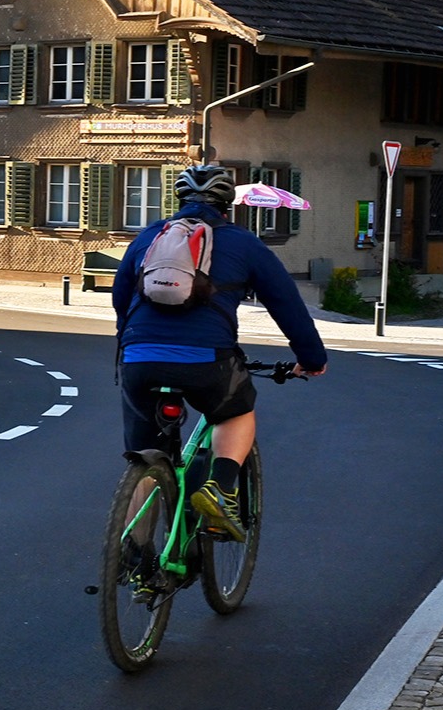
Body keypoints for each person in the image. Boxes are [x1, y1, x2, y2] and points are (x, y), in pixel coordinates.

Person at [111, 164, 327, 540]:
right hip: (206, 359)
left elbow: (120, 298)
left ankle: (135, 558)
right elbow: (286, 305)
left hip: (139, 357)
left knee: (146, 451)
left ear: (178, 199)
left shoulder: (149, 236)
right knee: (236, 412)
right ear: (228, 204)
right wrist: (311, 359)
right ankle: (220, 489)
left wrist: (131, 344)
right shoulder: (244, 243)